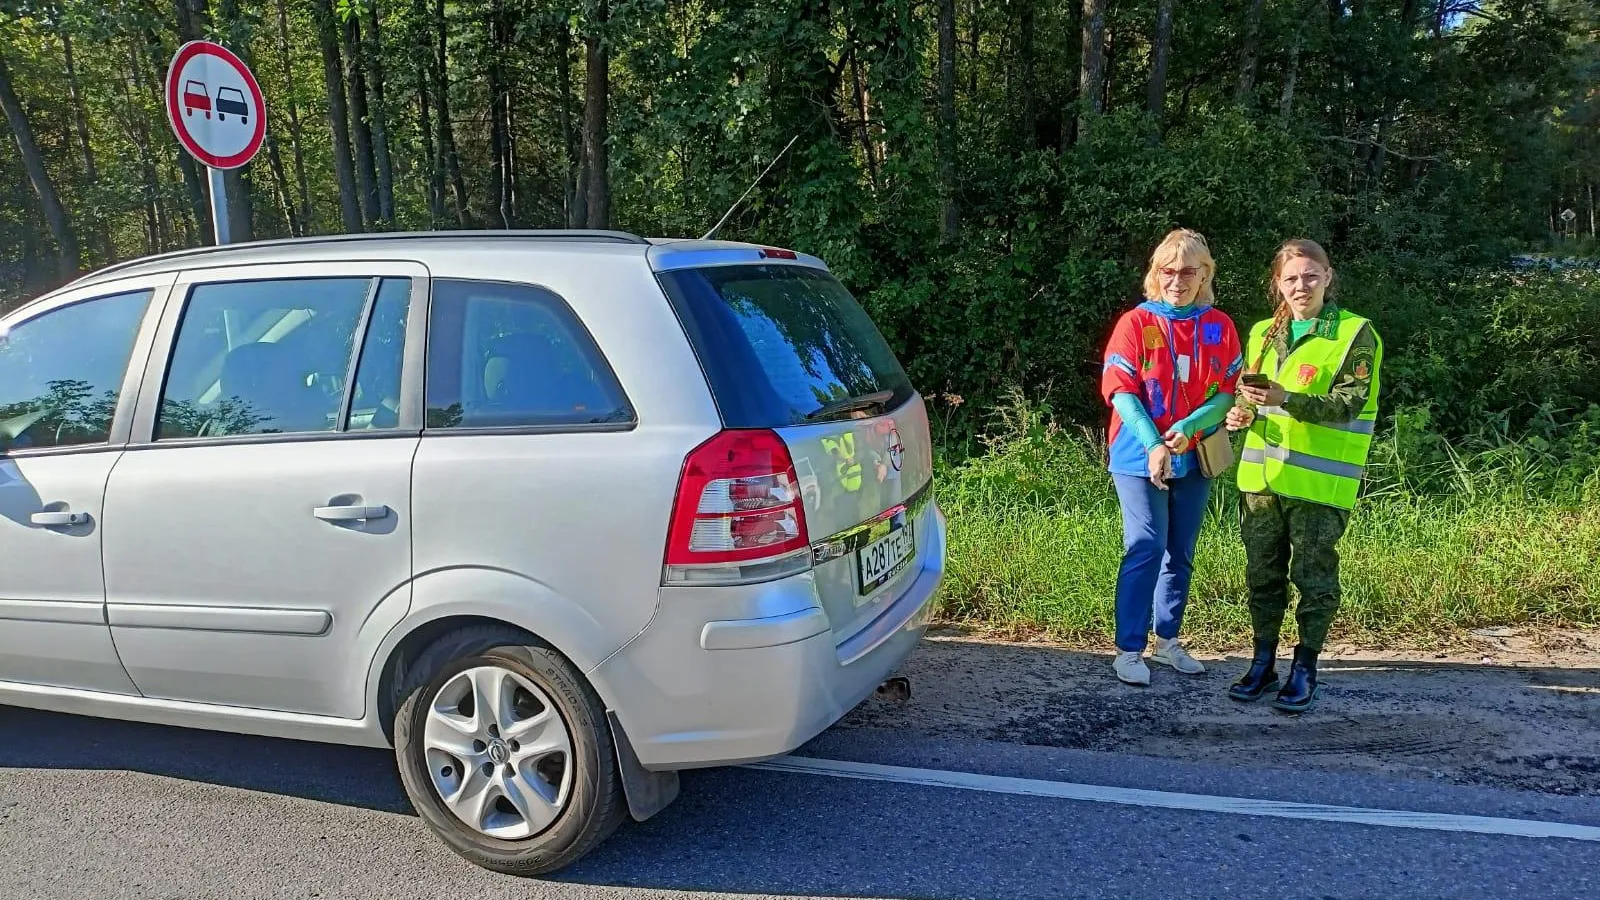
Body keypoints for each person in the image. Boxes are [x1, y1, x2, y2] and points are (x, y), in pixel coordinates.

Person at [1225, 238, 1383, 713]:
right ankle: (1262, 663)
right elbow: (1248, 394)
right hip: (1261, 482)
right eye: (1291, 278)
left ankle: (1306, 667)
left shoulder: (1355, 333)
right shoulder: (1261, 333)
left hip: (1318, 484)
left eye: (1310, 276)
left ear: (1328, 277)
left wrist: (1284, 399)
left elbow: (1348, 404)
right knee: (1262, 577)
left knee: (1314, 580)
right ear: (1278, 284)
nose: (1301, 286)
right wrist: (1240, 413)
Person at [1100, 228, 1243, 686]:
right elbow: (1121, 392)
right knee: (1146, 545)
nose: (1177, 279)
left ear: (1205, 274)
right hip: (1137, 453)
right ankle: (1128, 649)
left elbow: (1226, 393)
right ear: (1155, 273)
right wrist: (1155, 443)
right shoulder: (1135, 323)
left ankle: (1168, 642)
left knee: (1180, 550)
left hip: (1194, 452)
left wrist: (1187, 429)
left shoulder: (1220, 325)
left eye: (1188, 271)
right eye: (1168, 270)